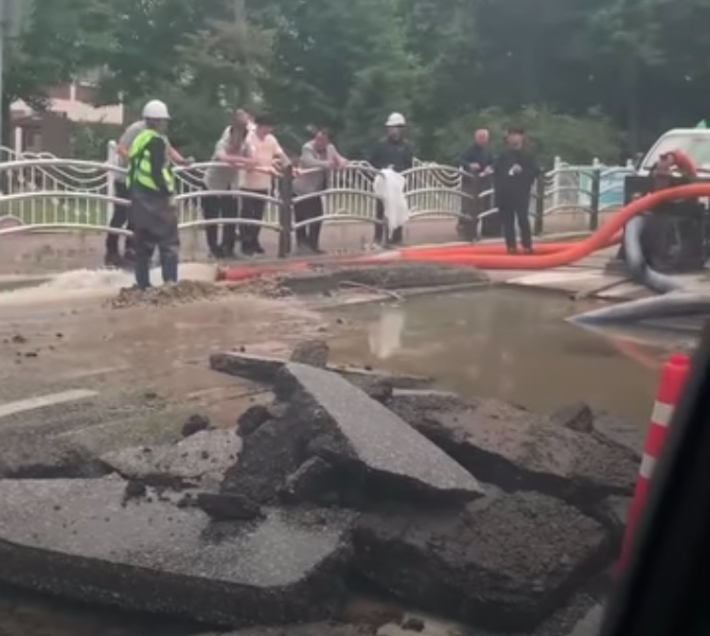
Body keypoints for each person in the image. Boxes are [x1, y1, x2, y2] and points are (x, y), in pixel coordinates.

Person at [105, 109, 191, 268]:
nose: (163, 124)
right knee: (120, 215)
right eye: (161, 120)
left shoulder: (159, 135)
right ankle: (111, 251)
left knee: (137, 217)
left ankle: (131, 251)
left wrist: (182, 161)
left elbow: (169, 150)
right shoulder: (136, 129)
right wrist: (134, 160)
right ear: (151, 119)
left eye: (164, 121)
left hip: (143, 182)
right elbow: (121, 148)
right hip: (126, 179)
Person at [125, 99, 179, 289]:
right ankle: (170, 284)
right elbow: (157, 172)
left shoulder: (140, 138)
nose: (165, 124)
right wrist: (168, 194)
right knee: (169, 243)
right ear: (157, 121)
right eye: (163, 120)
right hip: (156, 198)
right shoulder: (156, 141)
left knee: (143, 245)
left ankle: (143, 285)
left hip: (139, 196)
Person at [202, 112, 256, 258]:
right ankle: (213, 249)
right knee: (211, 219)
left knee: (231, 218)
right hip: (212, 184)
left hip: (230, 185)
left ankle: (228, 248)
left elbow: (252, 163)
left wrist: (244, 161)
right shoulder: (222, 142)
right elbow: (223, 157)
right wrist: (243, 160)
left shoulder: (246, 145)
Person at [292, 127, 347, 253]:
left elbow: (339, 158)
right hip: (301, 188)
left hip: (316, 189)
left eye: (322, 140)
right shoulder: (307, 147)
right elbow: (309, 162)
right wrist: (327, 164)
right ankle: (301, 244)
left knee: (317, 217)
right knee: (301, 217)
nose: (319, 142)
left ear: (327, 141)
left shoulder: (331, 148)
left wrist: (343, 163)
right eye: (317, 139)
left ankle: (313, 244)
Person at [240, 114, 289, 256]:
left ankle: (254, 240)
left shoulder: (271, 140)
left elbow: (280, 154)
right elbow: (248, 158)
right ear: (260, 126)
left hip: (264, 183)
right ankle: (245, 242)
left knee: (258, 215)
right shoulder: (248, 139)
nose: (269, 130)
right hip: (248, 182)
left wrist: (289, 166)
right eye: (267, 127)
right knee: (247, 215)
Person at [369, 112, 414, 246]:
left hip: (398, 184)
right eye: (393, 128)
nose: (395, 131)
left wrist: (402, 175)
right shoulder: (380, 145)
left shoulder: (406, 146)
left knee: (398, 209)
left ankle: (396, 238)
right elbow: (372, 163)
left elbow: (409, 164)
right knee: (380, 211)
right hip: (384, 184)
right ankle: (378, 238)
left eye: (399, 128)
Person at [493, 127, 539, 254]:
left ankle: (527, 245)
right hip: (505, 191)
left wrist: (522, 171)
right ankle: (511, 246)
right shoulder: (503, 154)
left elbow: (535, 171)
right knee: (507, 220)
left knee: (522, 218)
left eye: (516, 135)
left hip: (521, 191)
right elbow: (497, 171)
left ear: (521, 138)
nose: (513, 138)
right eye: (511, 136)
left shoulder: (528, 154)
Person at [458, 128, 494, 239]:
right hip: (470, 182)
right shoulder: (470, 149)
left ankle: (485, 230)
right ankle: (467, 229)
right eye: (480, 137)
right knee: (469, 207)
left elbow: (493, 161)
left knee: (484, 206)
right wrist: (469, 165)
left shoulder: (488, 150)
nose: (483, 140)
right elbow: (459, 160)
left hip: (484, 181)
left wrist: (490, 167)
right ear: (476, 138)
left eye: (484, 138)